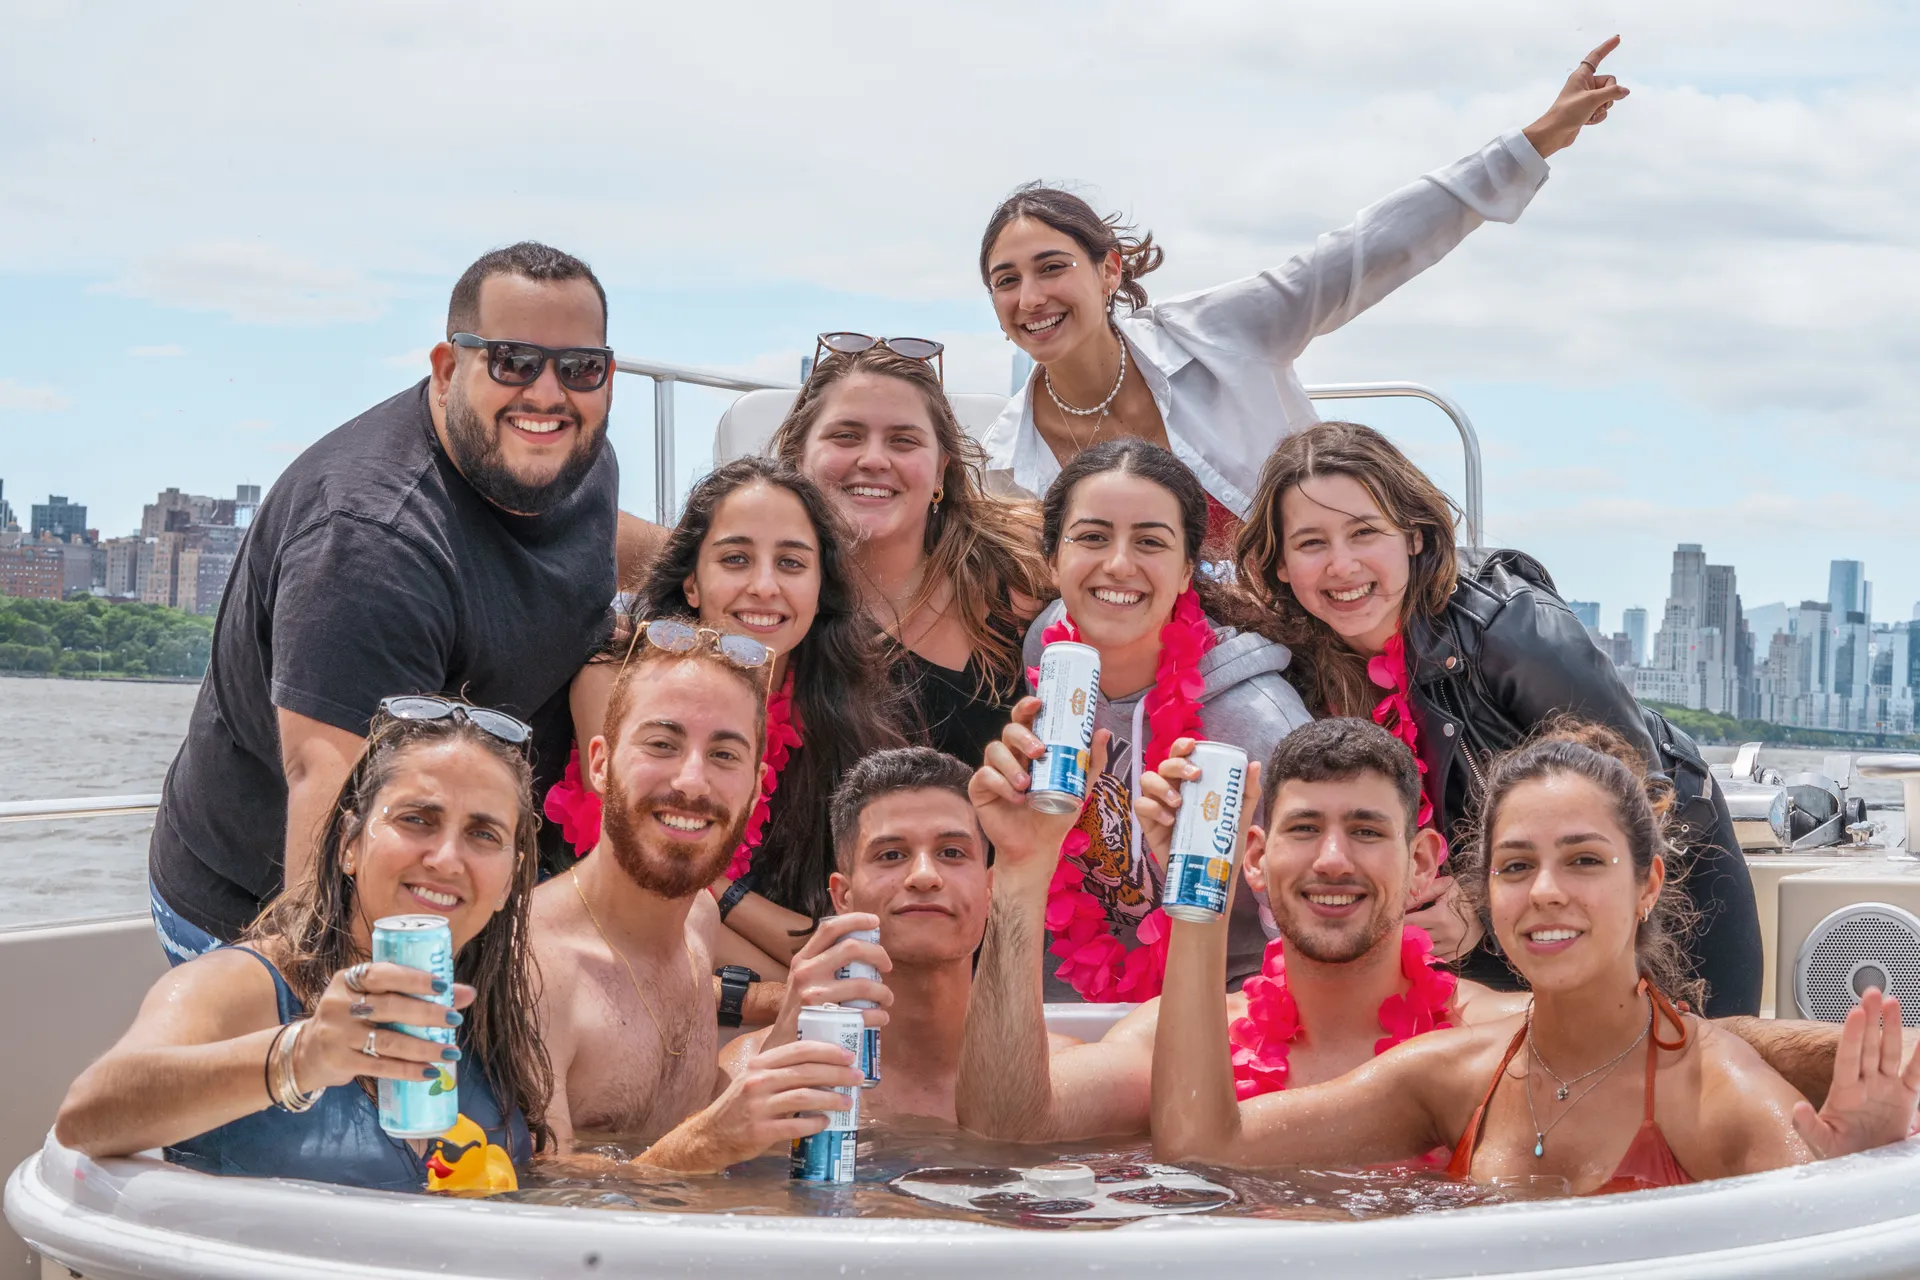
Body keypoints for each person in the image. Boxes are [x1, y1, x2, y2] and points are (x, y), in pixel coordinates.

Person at [957, 715, 1881, 1144]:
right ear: (1251, 856)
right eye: (1305, 831)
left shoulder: (1477, 1036)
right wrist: (1021, 881)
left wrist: (1879, 1057)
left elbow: (1679, 1049)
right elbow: (1002, 1128)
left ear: (1425, 862)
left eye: (1366, 833)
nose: (1331, 861)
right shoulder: (1174, 1037)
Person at [1151, 722, 1920, 1191]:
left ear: (1647, 882)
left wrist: (1852, 1181)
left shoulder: (1717, 1091)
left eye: (1584, 860)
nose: (1545, 891)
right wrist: (1201, 891)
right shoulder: (1451, 1077)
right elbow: (1203, 1146)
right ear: (1485, 892)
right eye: (1515, 867)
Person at [146, 241, 644, 961]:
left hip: (464, 866)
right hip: (261, 912)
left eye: (579, 369)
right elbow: (323, 841)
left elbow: (592, 534)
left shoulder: (569, 453)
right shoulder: (369, 547)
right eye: (511, 361)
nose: (546, 393)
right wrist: (343, 1028)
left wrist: (709, 566)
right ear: (448, 369)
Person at [976, 41, 1630, 546]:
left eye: (1051, 267)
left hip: (1321, 611)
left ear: (1110, 271)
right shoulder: (1005, 461)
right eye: (1006, 280)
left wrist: (1537, 139)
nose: (1031, 296)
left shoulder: (1217, 334)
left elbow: (1367, 251)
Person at [1233, 420, 1763, 1015]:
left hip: (1663, 867)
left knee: (1701, 1066)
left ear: (1413, 535)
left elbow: (1636, 791)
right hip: (1484, 909)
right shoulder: (1296, 659)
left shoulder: (1512, 628)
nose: (1341, 565)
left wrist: (1480, 905)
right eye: (1311, 544)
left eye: (1364, 532)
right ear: (1280, 565)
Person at [57, 699, 547, 1191]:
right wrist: (301, 1055)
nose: (446, 858)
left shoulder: (491, 1012)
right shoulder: (243, 986)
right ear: (348, 845)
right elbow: (86, 1118)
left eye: (483, 834)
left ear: (508, 881)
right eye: (417, 819)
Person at [530, 625, 865, 1170]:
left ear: (756, 787)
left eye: (724, 755)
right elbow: (530, 1201)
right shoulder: (536, 967)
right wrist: (710, 1143)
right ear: (600, 763)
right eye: (662, 744)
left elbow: (681, 1121)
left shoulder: (698, 922)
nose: (692, 782)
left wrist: (791, 1027)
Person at [553, 457, 908, 967]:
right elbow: (650, 890)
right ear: (692, 584)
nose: (764, 586)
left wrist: (724, 894)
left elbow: (850, 936)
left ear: (818, 588)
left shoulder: (848, 713)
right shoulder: (617, 682)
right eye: (736, 559)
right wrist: (786, 993)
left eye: (791, 563)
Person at [1024, 439, 1310, 1001]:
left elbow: (1301, 941)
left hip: (1223, 1000)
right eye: (1092, 536)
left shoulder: (1259, 724)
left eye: (1150, 542)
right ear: (1053, 559)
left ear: (1186, 571)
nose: (1119, 564)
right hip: (1069, 988)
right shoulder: (1047, 652)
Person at [723, 747, 1080, 1125]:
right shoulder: (749, 1072)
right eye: (892, 855)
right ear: (843, 896)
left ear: (991, 890)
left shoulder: (1063, 1076)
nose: (924, 875)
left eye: (952, 852)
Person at [771, 340, 1050, 765]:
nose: (875, 460)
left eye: (903, 441)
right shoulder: (759, 596)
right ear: (796, 457)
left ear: (941, 469)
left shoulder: (1017, 580)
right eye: (847, 436)